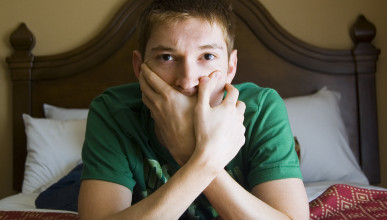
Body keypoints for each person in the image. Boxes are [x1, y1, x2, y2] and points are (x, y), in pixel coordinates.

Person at [78, 0, 309, 219]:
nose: (187, 81)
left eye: (207, 56)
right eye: (167, 57)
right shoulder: (112, 111)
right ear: (140, 68)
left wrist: (189, 152)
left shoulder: (261, 109)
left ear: (230, 67)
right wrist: (201, 161)